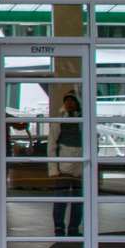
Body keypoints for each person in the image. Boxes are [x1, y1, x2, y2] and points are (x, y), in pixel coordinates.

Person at [47, 92, 84, 236]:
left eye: (72, 101)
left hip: (80, 167)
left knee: (78, 200)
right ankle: (59, 227)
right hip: (63, 166)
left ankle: (74, 227)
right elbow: (52, 144)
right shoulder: (59, 120)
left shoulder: (83, 119)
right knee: (61, 198)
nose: (69, 103)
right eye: (67, 100)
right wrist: (53, 168)